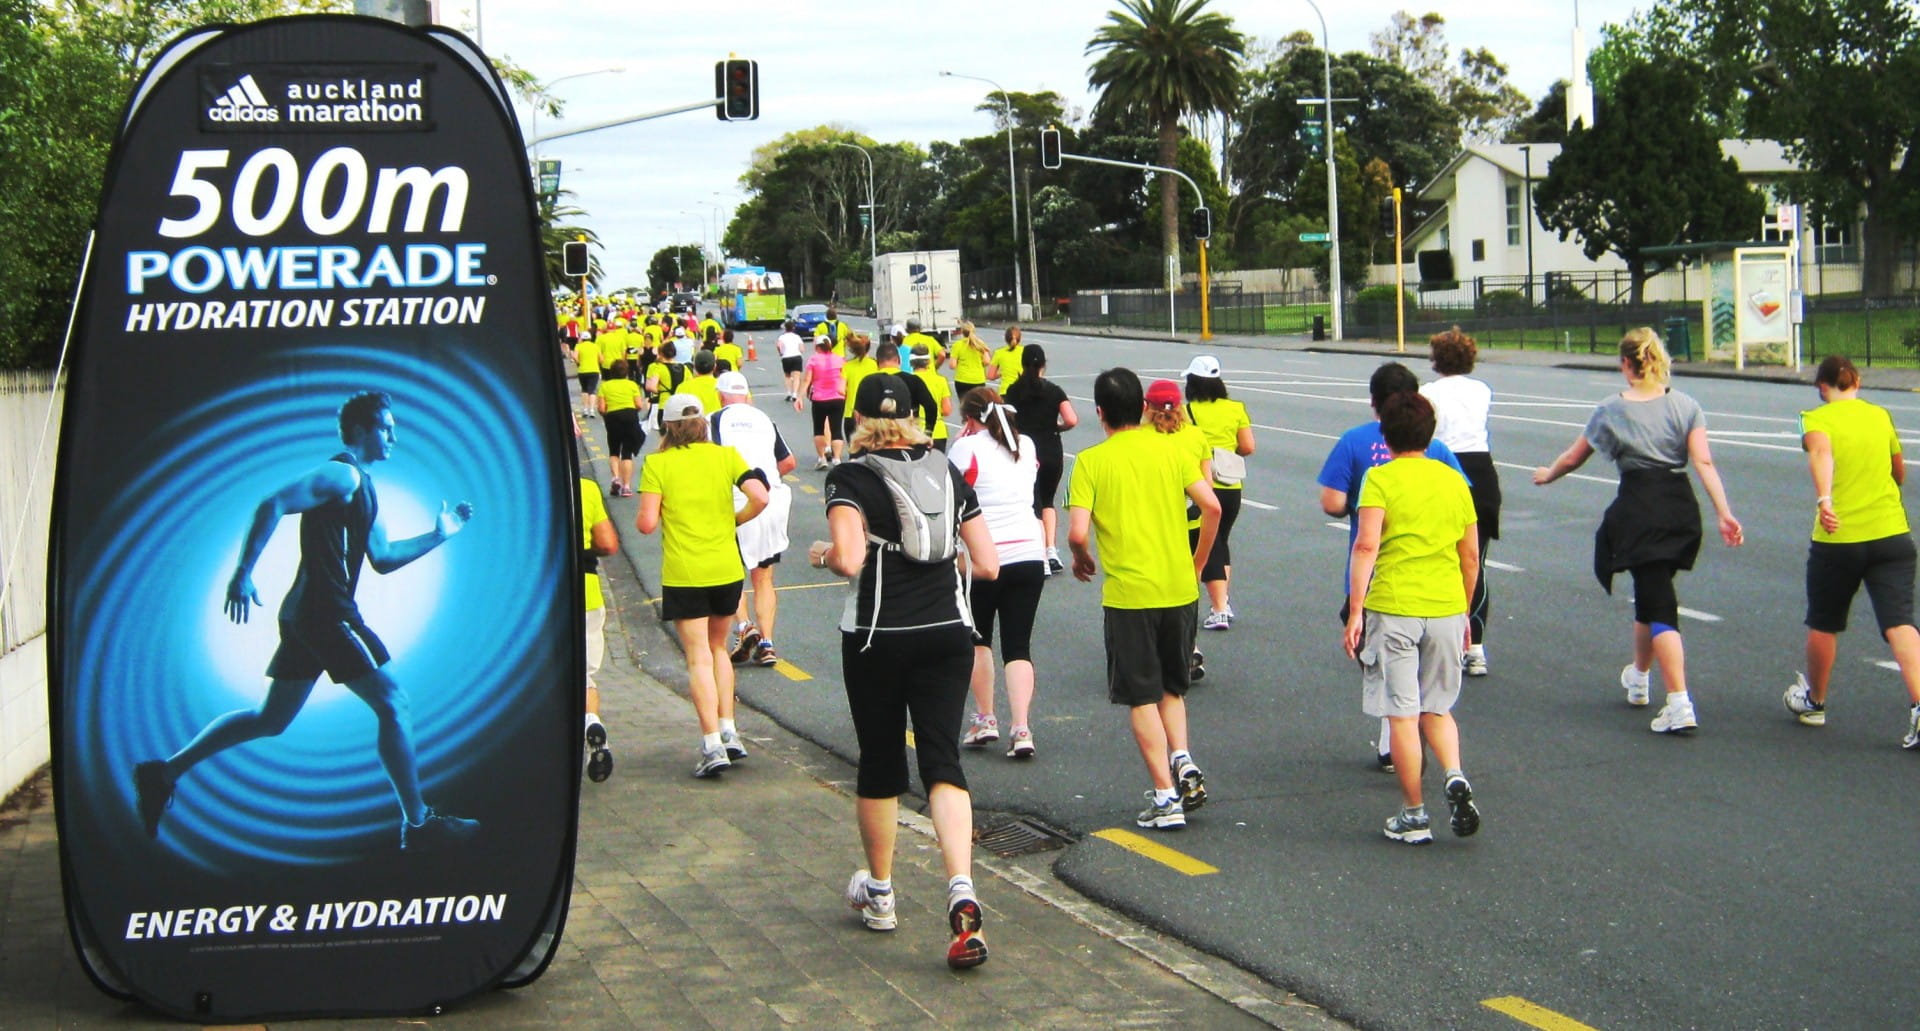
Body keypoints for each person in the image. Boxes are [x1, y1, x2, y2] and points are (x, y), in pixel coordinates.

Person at [133, 391, 481, 850]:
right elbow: (272, 503)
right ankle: (418, 825)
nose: (394, 435)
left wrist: (439, 535)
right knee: (394, 703)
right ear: (361, 431)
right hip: (325, 612)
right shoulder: (342, 474)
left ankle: (163, 772)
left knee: (270, 718)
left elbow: (383, 557)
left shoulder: (365, 488)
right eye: (386, 427)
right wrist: (242, 572)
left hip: (308, 616)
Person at [817, 373, 999, 970]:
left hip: (877, 637)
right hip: (949, 635)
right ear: (915, 415)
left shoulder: (852, 475)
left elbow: (847, 557)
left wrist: (821, 555)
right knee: (943, 760)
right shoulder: (944, 468)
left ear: (859, 418)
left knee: (880, 762)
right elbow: (990, 564)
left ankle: (882, 893)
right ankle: (963, 892)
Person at [1534, 327, 1743, 734]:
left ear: (1627, 364)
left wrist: (1549, 475)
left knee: (1659, 602)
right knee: (1651, 591)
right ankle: (1639, 676)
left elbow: (1575, 457)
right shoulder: (1686, 404)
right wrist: (1724, 512)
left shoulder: (1612, 409)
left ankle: (1680, 701)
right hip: (1679, 505)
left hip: (1640, 506)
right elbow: (1703, 463)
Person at [1068, 368, 1221, 832]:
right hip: (1179, 588)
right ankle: (1184, 759)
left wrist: (1080, 556)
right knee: (1173, 688)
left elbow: (1077, 531)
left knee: (1140, 695)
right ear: (1142, 409)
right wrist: (1197, 562)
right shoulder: (1171, 451)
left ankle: (1164, 796)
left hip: (1130, 594)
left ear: (1099, 413)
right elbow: (1211, 506)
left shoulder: (1091, 462)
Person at [1342, 392, 1481, 845]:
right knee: (1436, 707)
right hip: (1445, 605)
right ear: (1430, 432)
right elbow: (1471, 556)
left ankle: (1413, 812)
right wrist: (1463, 612)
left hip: (1394, 606)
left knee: (1402, 714)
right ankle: (1455, 774)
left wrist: (1356, 610)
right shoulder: (1454, 481)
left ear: (1385, 433)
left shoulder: (1379, 480)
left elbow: (1366, 546)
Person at [1317, 362, 1467, 772]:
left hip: (1381, 580)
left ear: (1373, 403)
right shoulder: (1434, 450)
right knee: (1428, 679)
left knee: (1390, 670)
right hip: (1438, 584)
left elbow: (1331, 502)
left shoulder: (1355, 441)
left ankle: (1392, 744)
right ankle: (1425, 755)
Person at [1782, 356, 1920, 742]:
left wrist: (1825, 499)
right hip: (1892, 534)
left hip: (1839, 540)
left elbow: (1821, 453)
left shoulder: (1815, 418)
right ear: (1856, 381)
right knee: (1900, 622)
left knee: (1824, 621)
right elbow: (1899, 472)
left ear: (1822, 388)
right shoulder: (1880, 415)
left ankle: (1815, 702)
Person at [636, 394, 772, 777]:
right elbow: (760, 496)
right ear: (702, 425)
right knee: (717, 648)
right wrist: (734, 519)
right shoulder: (726, 457)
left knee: (696, 655)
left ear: (669, 428)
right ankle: (730, 730)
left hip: (685, 572)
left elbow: (646, 524)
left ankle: (711, 743)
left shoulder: (657, 464)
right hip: (726, 569)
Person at [950, 388, 1047, 757]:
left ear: (971, 419)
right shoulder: (1027, 446)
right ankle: (1021, 728)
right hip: (1028, 552)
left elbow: (952, 492)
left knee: (979, 639)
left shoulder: (966, 448)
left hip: (983, 558)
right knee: (1018, 644)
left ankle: (985, 717)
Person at [1420, 328, 1500, 676]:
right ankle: (1476, 645)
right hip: (1481, 472)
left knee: (1439, 558)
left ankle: (1441, 638)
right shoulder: (1482, 390)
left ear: (1436, 359)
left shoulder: (1427, 392)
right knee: (1474, 560)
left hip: (1443, 468)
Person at [713, 371, 798, 669]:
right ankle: (768, 643)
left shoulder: (715, 419)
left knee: (731, 571)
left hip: (737, 502)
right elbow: (788, 462)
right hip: (771, 500)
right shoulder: (764, 419)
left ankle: (744, 626)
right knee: (764, 576)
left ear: (720, 396)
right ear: (747, 395)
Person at [1144, 378, 1212, 680]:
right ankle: (1189, 645)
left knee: (1155, 586)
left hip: (1154, 524)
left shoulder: (1141, 437)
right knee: (1186, 589)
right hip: (1192, 521)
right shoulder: (1196, 436)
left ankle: (1162, 647)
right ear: (1180, 406)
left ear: (1147, 407)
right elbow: (1207, 486)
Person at [1183, 355, 1254, 630]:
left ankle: (1219, 608)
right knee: (1221, 540)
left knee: (1208, 543)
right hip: (1231, 484)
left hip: (1201, 485)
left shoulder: (1188, 412)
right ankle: (1223, 599)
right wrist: (1225, 454)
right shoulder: (1236, 408)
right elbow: (1248, 446)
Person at [1005, 345, 1078, 575]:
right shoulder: (1054, 391)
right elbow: (1071, 419)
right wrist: (1055, 427)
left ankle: (1039, 555)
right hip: (1051, 449)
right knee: (1047, 501)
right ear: (1043, 365)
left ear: (1023, 364)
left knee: (1032, 502)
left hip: (1024, 451)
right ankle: (1051, 550)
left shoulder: (1013, 391)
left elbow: (1006, 422)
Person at [582, 474, 618, 782]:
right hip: (586, 591)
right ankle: (590, 720)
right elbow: (607, 543)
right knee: (584, 675)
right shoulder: (587, 488)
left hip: (537, 597)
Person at [599, 359, 647, 497]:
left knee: (614, 451)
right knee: (627, 453)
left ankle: (615, 478)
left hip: (612, 417)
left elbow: (602, 407)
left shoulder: (605, 386)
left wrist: (606, 414)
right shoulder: (632, 385)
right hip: (630, 416)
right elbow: (639, 405)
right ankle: (626, 487)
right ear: (626, 372)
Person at [798, 335, 847, 468]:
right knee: (836, 429)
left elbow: (807, 380)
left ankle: (822, 458)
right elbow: (844, 378)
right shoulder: (839, 359)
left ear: (817, 347)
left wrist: (799, 397)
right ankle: (837, 459)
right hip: (838, 398)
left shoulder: (813, 359)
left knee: (819, 429)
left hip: (819, 399)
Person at [911, 344, 954, 451]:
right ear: (929, 362)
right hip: (938, 431)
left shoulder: (907, 380)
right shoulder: (940, 380)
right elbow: (947, 410)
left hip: (914, 431)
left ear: (911, 362)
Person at [839, 332, 879, 442]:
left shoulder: (847, 366)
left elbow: (841, 390)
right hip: (872, 411)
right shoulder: (875, 364)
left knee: (853, 448)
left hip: (851, 411)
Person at [950, 320, 992, 398]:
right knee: (977, 406)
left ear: (962, 331)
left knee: (964, 406)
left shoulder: (957, 345)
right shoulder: (980, 344)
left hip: (962, 380)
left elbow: (952, 365)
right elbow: (987, 361)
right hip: (978, 380)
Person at [571, 329, 602, 420]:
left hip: (582, 370)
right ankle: (592, 410)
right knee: (592, 390)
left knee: (584, 390)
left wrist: (579, 363)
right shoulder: (595, 346)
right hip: (594, 370)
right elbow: (601, 359)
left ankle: (585, 409)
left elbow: (575, 356)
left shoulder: (578, 346)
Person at [682, 348, 723, 414]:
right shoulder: (722, 386)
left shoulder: (683, 387)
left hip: (693, 423)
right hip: (716, 423)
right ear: (715, 367)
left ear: (694, 366)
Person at [776, 319, 806, 402]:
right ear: (793, 328)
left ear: (785, 328)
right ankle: (795, 394)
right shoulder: (797, 337)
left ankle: (789, 393)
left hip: (786, 357)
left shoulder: (782, 337)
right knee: (796, 376)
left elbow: (778, 345)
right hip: (796, 356)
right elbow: (802, 349)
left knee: (787, 376)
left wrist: (781, 353)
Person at [989, 326, 1026, 392]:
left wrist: (1001, 373)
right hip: (1022, 391)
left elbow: (991, 376)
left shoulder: (998, 352)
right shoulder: (1025, 351)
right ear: (1020, 339)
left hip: (1005, 391)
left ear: (1006, 339)